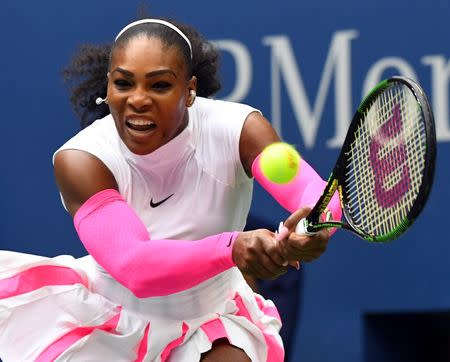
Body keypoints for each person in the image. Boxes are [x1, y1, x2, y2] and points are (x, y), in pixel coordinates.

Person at [0, 17, 341, 361]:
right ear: (108, 87)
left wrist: (315, 227)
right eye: (123, 83)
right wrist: (233, 248)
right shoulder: (82, 160)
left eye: (159, 85)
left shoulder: (241, 131)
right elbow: (135, 266)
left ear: (190, 89)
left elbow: (314, 193)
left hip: (212, 315)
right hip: (110, 322)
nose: (138, 99)